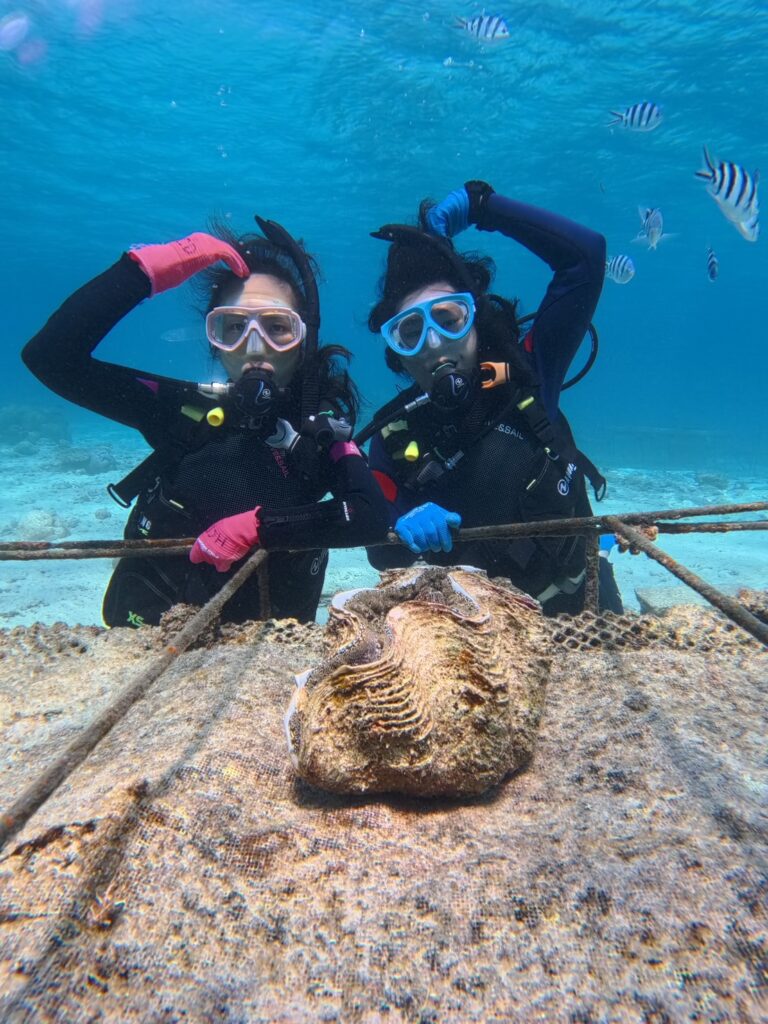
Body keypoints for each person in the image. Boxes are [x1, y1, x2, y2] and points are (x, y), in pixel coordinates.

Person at [22, 220, 390, 627]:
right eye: (234, 328)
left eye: (277, 327)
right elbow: (50, 358)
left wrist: (261, 528)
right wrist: (140, 273)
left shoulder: (316, 429)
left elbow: (370, 515)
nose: (255, 346)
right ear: (214, 338)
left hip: (271, 643)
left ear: (302, 338)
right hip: (148, 632)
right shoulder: (182, 410)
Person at [361, 180, 623, 615]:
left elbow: (586, 258)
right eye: (411, 332)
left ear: (475, 321)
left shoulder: (529, 374)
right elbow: (380, 546)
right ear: (398, 353)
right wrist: (398, 522)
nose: (433, 343)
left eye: (448, 319)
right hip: (474, 633)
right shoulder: (393, 434)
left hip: (579, 613)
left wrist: (485, 207)